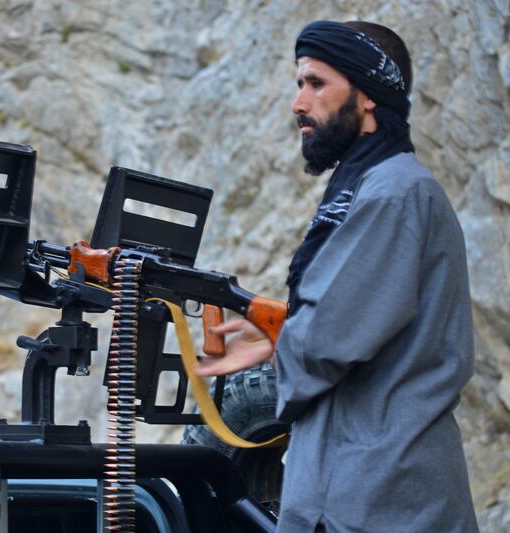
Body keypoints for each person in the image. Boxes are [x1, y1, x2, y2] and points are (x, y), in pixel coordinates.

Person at [197, 20, 479, 532]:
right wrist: (281, 328)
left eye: (316, 83)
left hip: (375, 496)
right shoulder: (381, 186)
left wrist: (285, 338)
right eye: (298, 84)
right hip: (374, 486)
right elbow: (348, 319)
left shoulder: (393, 193)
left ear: (368, 94)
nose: (298, 104)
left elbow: (329, 342)